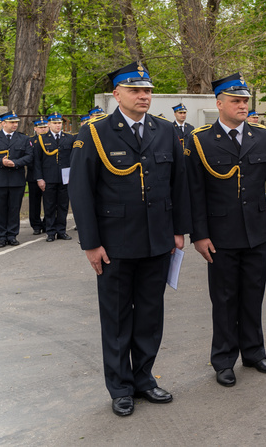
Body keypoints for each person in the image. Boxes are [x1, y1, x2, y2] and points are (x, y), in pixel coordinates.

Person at [68, 61, 191, 417]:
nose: (143, 96)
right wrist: (90, 244)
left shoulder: (166, 130)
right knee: (118, 318)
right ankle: (120, 386)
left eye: (148, 90)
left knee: (150, 315)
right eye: (136, 90)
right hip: (115, 243)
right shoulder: (94, 133)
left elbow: (178, 185)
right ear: (117, 94)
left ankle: (144, 379)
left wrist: (178, 231)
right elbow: (81, 192)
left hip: (157, 241)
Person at [186, 72, 266, 387]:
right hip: (220, 235)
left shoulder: (263, 136)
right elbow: (194, 192)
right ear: (220, 103)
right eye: (236, 100)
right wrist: (199, 235)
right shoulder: (200, 139)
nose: (243, 105)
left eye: (245, 100)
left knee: (253, 295)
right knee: (225, 299)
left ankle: (254, 353)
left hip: (257, 231)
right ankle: (224, 359)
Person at [0, 112, 33, 247]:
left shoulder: (23, 138)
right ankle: (1, 237)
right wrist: (0, 162)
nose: (15, 124)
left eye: (16, 122)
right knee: (0, 209)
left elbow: (29, 156)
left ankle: (12, 235)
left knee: (14, 209)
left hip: (16, 179)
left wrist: (15, 163)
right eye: (12, 122)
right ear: (3, 123)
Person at [33, 112, 73, 242]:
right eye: (55, 123)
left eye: (60, 123)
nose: (58, 125)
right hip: (48, 178)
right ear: (49, 124)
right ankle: (50, 232)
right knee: (49, 206)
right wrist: (39, 178)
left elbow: (73, 159)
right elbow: (37, 161)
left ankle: (61, 231)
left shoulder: (69, 138)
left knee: (63, 205)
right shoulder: (42, 139)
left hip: (65, 178)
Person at [27, 118, 48, 235]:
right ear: (35, 128)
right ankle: (36, 225)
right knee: (34, 202)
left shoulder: (51, 139)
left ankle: (47, 223)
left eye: (45, 126)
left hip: (49, 175)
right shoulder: (30, 141)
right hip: (33, 176)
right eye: (40, 127)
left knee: (49, 202)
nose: (43, 129)